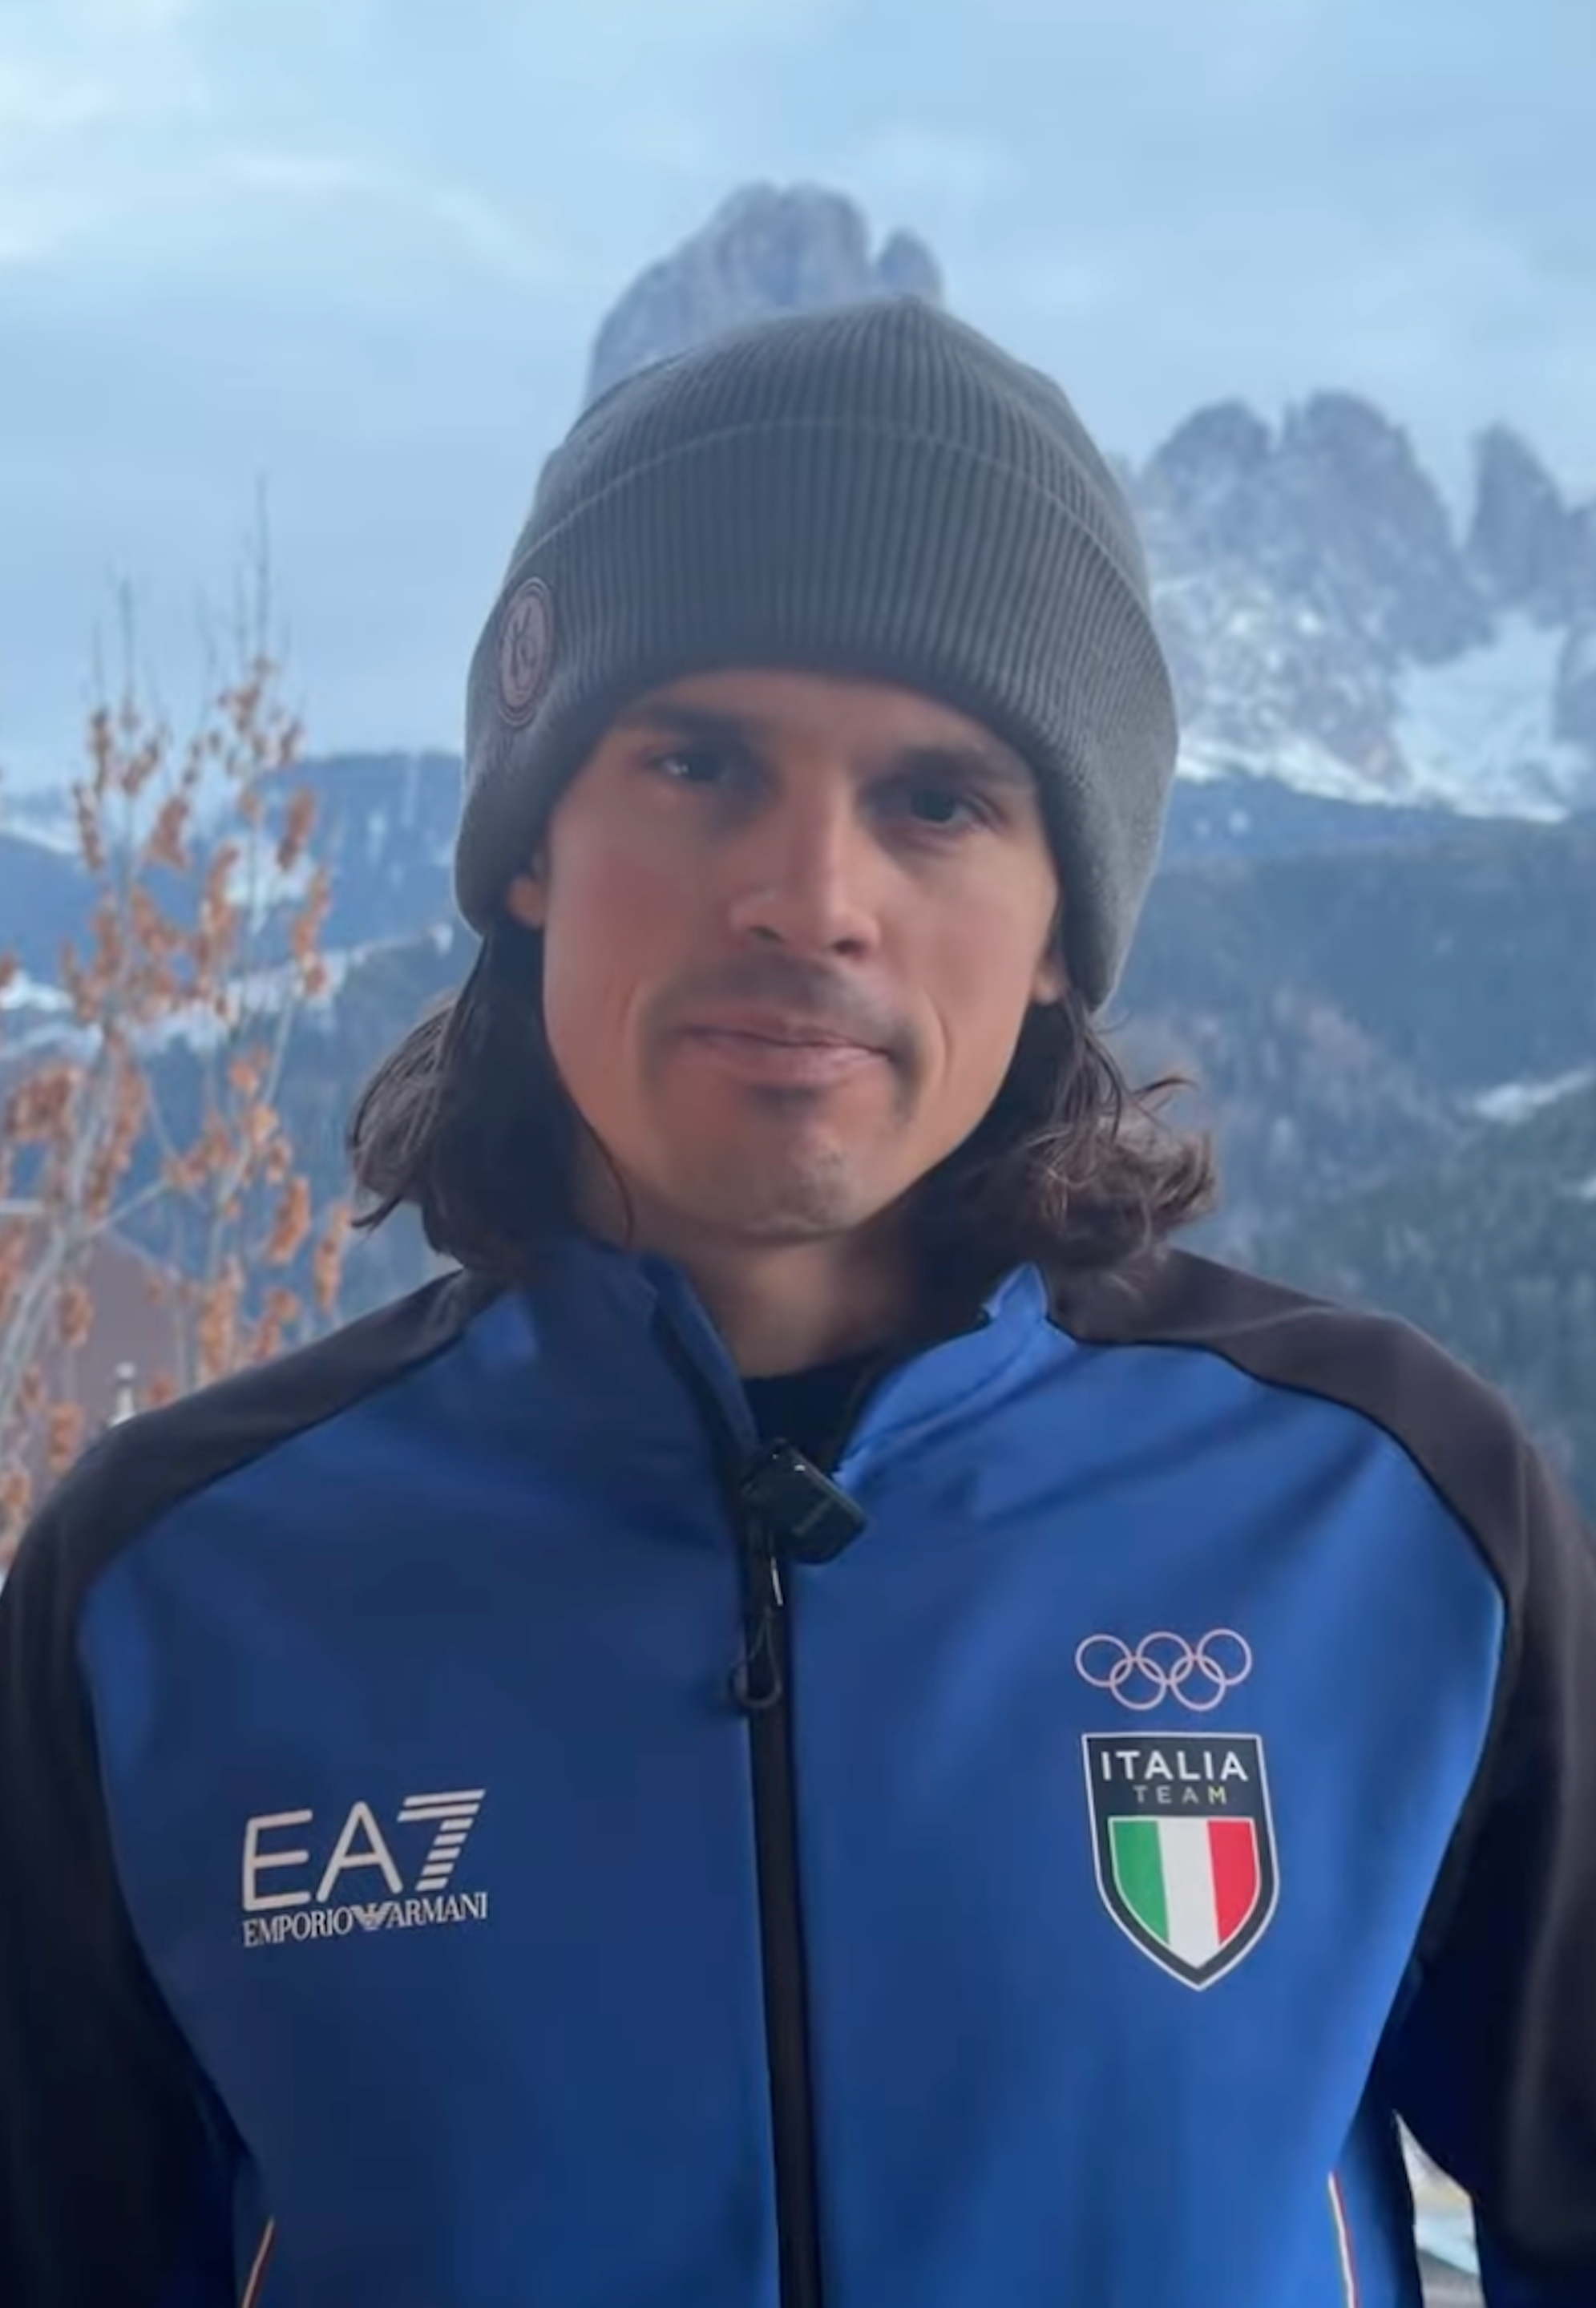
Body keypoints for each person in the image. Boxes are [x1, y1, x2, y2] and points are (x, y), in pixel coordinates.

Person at [1, 297, 1593, 2308]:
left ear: (1058, 926)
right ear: (529, 846)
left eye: (936, 800)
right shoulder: (171, 1590)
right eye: (696, 761)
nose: (809, 895)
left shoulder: (1387, 1517)